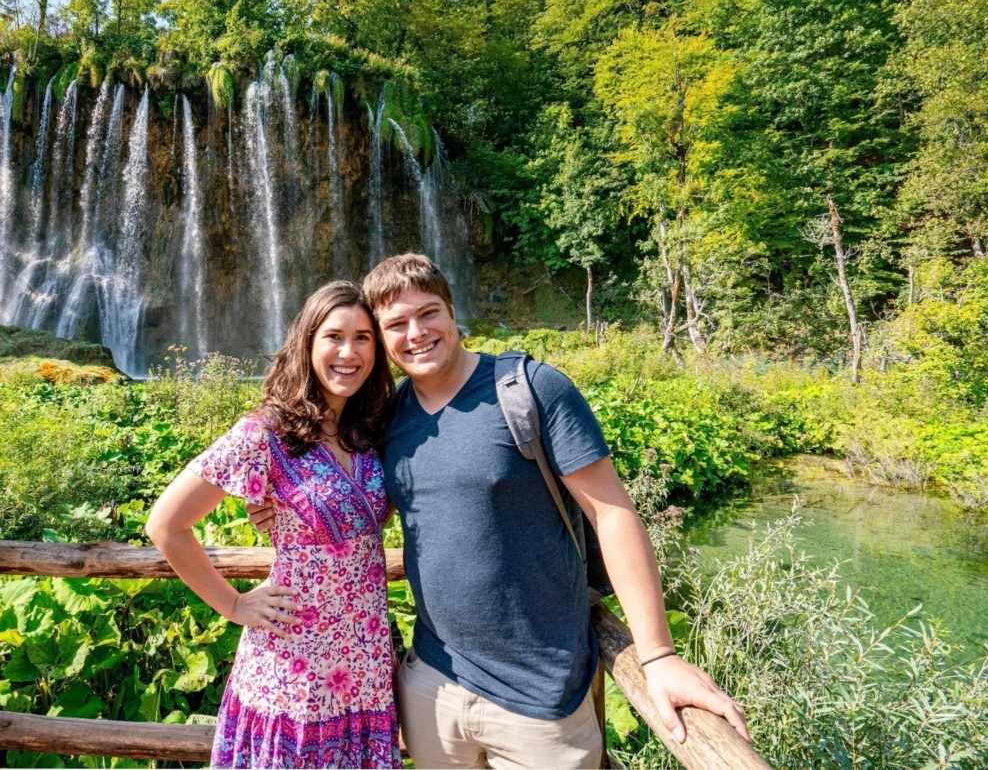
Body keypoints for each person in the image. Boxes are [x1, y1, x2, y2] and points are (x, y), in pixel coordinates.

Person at [249, 255, 748, 769]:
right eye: (395, 324)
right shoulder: (387, 416)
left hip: (542, 695)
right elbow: (351, 491)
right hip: (432, 687)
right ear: (380, 338)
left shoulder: (531, 389)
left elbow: (613, 514)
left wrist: (659, 656)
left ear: (453, 310)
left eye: (429, 313)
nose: (416, 333)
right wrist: (276, 502)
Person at [146, 281, 401, 769]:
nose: (349, 352)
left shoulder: (370, 429)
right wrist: (233, 603)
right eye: (334, 336)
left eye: (364, 337)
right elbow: (165, 523)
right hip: (293, 664)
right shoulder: (265, 432)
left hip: (364, 661)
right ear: (307, 342)